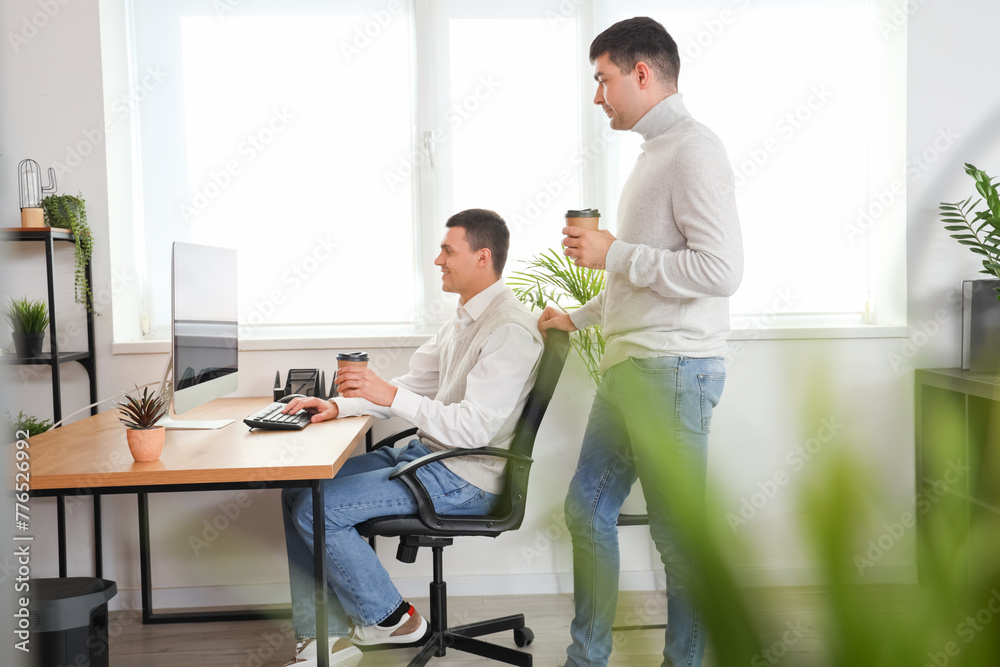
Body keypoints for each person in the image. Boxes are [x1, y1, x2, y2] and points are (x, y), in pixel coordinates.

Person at [538, 17, 743, 667]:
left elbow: (721, 271)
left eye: (603, 80)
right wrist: (580, 315)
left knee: (679, 541)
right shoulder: (655, 155)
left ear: (642, 73)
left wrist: (615, 251)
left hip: (674, 370)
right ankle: (587, 657)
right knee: (584, 509)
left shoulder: (695, 149)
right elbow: (639, 275)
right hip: (632, 369)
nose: (598, 96)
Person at [280, 209, 543, 667]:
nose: (438, 260)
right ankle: (325, 637)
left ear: (482, 257)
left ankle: (392, 618)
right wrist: (339, 405)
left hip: (466, 477)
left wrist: (391, 393)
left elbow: (474, 428)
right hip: (431, 458)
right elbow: (413, 386)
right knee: (297, 489)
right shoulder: (462, 320)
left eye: (448, 250)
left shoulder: (509, 330)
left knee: (315, 509)